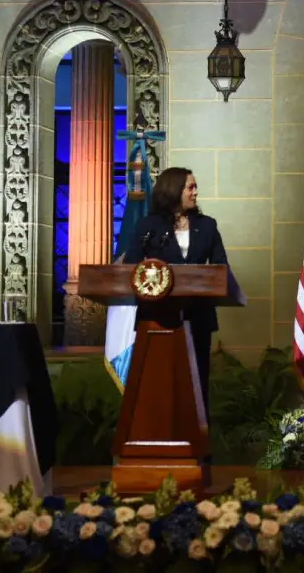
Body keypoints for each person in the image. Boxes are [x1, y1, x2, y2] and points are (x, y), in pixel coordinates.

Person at [123, 167, 227, 430]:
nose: (196, 192)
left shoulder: (207, 226)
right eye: (190, 187)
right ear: (173, 190)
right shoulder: (148, 226)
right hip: (156, 318)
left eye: (195, 187)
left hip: (197, 319)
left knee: (195, 383)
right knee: (157, 383)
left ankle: (197, 444)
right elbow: (132, 267)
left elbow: (221, 269)